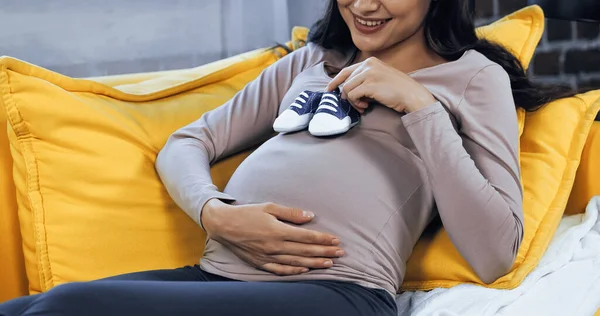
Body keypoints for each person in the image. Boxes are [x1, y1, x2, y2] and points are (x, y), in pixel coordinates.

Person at [0, 0, 573, 315]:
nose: (363, 5)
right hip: (214, 277)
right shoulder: (313, 62)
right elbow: (187, 142)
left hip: (333, 295)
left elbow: (496, 251)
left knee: (70, 308)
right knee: (23, 309)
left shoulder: (475, 78)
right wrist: (214, 212)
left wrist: (418, 105)